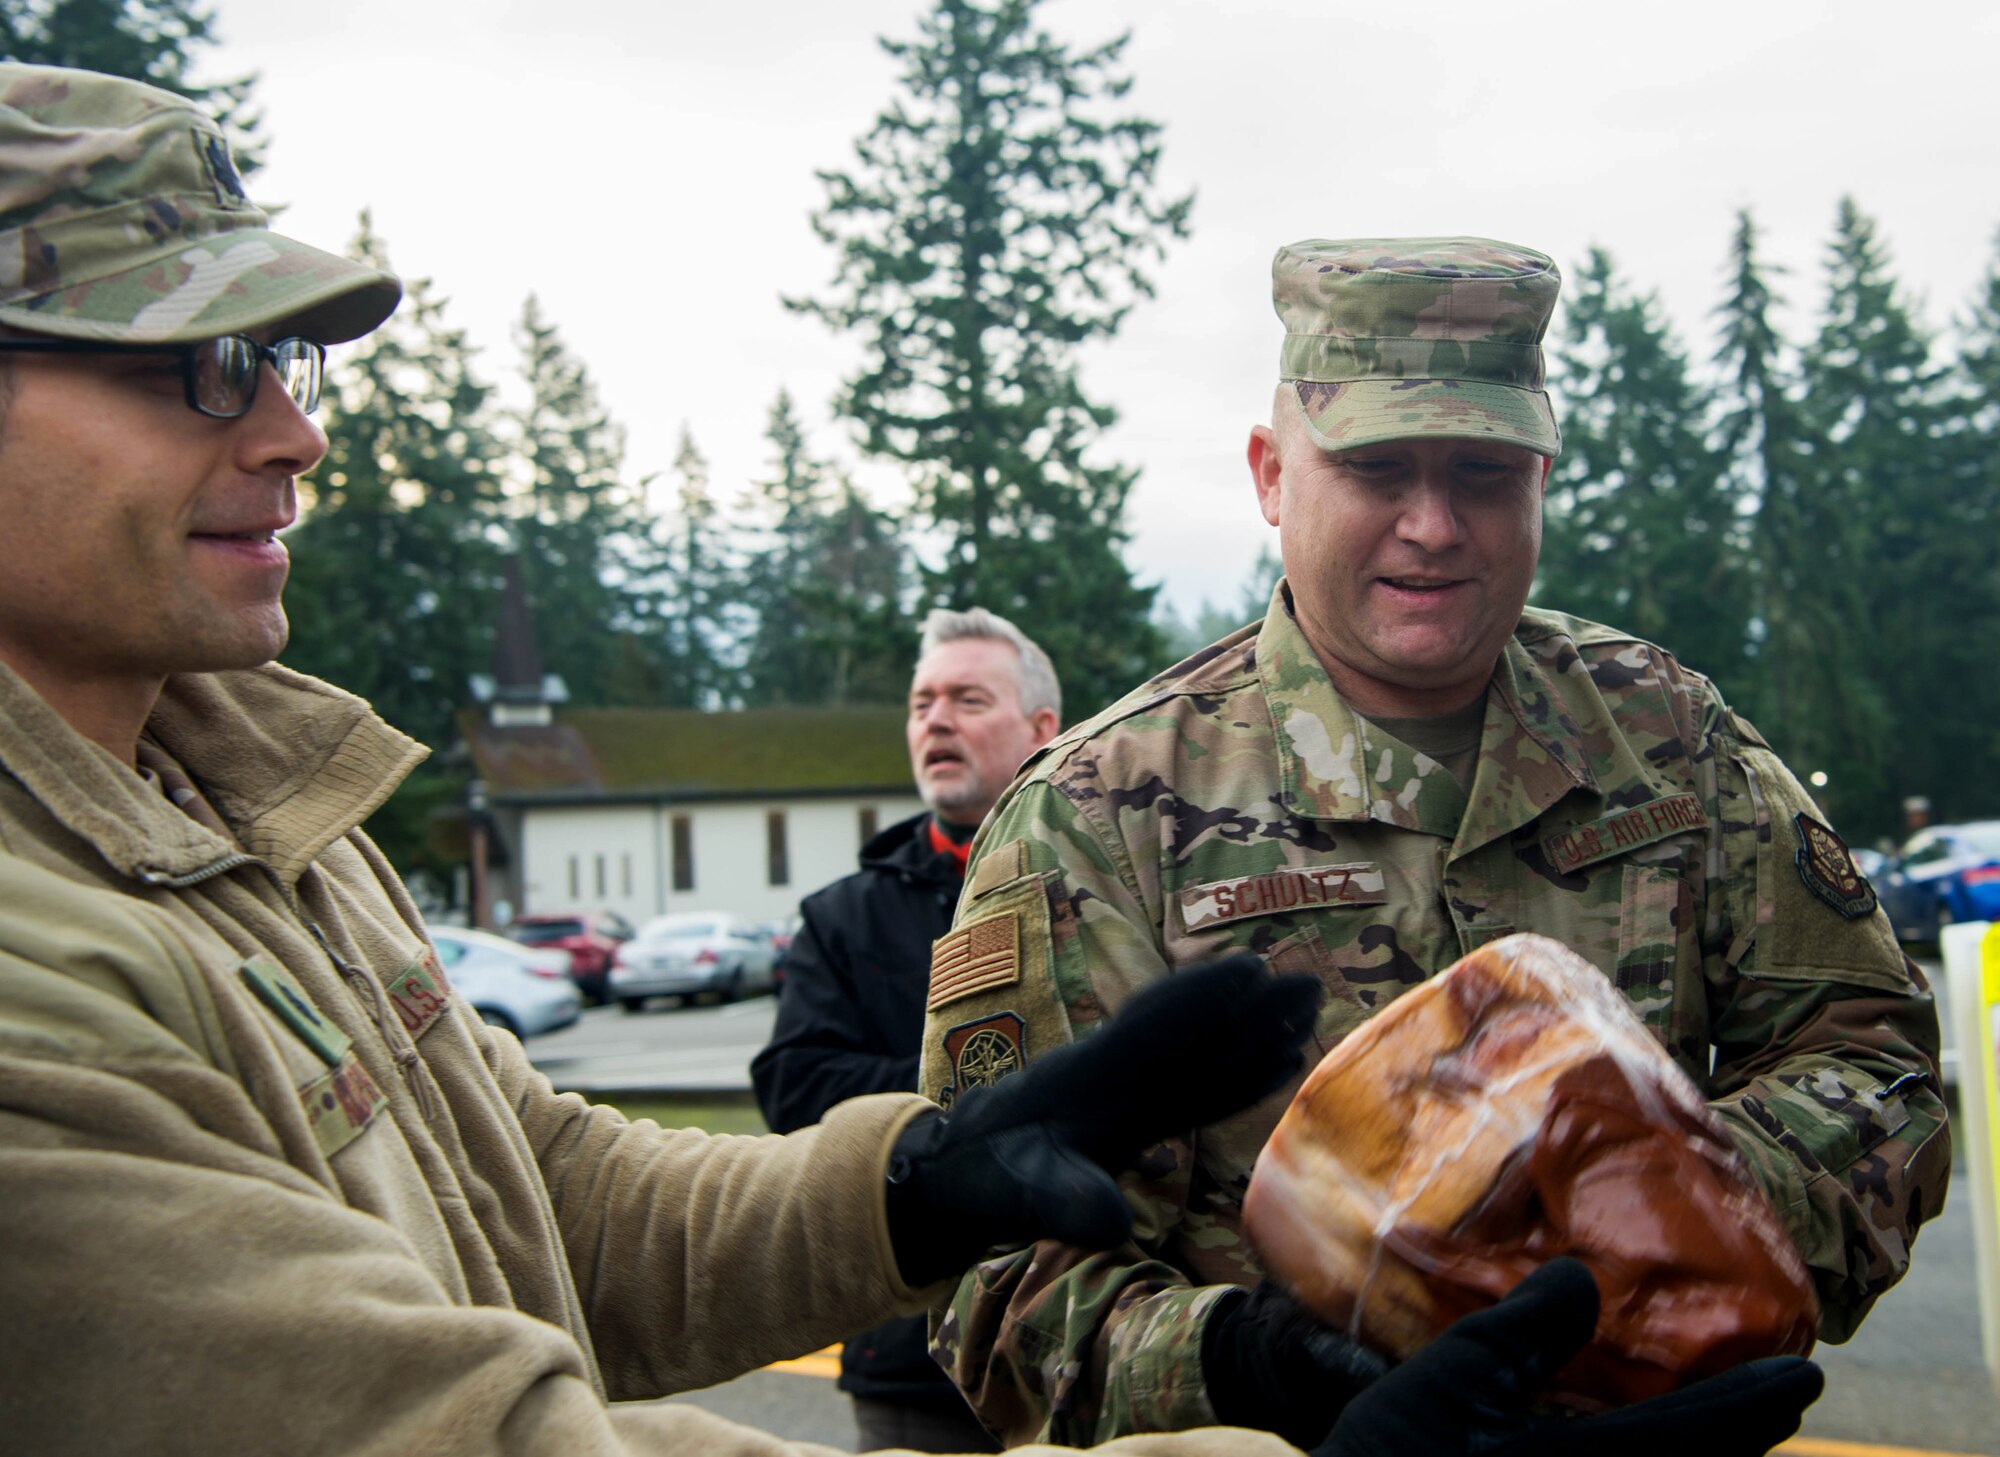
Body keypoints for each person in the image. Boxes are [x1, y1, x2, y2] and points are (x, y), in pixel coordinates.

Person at [0, 71, 1825, 1456]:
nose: (298, 429)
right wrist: (1271, 1404)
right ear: (1277, 478)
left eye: (1486, 469)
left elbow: (555, 1193)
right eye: (208, 365)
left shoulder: (245, 820)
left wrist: (919, 1177)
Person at [918, 237, 1949, 1451]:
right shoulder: (1093, 814)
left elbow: (1871, 1055)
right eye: (1375, 468)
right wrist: (1270, 1370)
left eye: (1482, 471)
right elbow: (990, 1271)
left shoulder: (1667, 734)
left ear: (1541, 478)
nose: (1432, 523)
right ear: (1269, 473)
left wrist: (1681, 1222)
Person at [753, 608, 1062, 1452]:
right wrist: (975, 1090)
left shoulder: (1104, 888)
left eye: (967, 698)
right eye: (922, 702)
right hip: (910, 1356)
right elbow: (794, 1089)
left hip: (1085, 1335)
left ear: (1043, 728)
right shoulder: (842, 917)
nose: (935, 719)